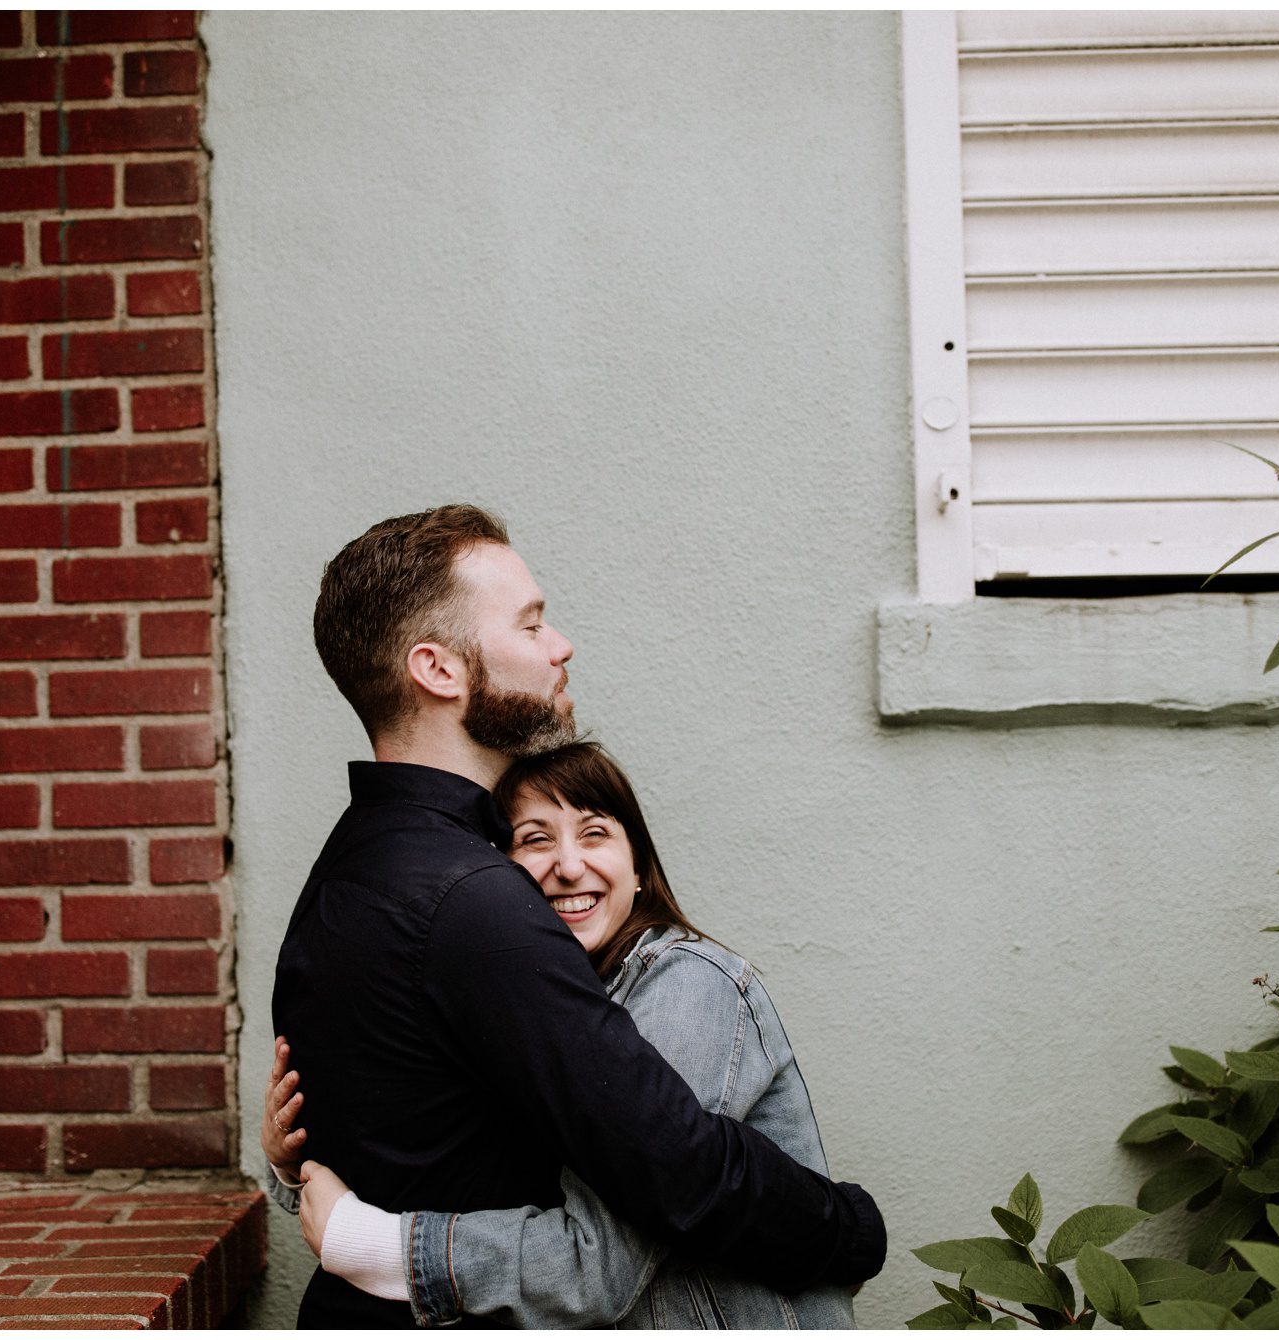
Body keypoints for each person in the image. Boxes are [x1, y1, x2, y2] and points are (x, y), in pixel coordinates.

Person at [272, 505, 883, 1327]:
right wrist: (853, 1229)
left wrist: (293, 1171)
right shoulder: (472, 898)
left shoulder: (346, 870)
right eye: (530, 624)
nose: (559, 645)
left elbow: (393, 1135)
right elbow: (676, 1167)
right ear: (439, 670)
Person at [267, 741, 856, 1328]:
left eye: (595, 834)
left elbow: (598, 1268)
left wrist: (382, 1245)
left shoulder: (689, 984)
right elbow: (464, 1165)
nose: (569, 867)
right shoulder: (535, 1003)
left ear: (639, 868)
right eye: (535, 840)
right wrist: (295, 1160)